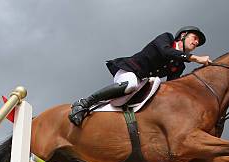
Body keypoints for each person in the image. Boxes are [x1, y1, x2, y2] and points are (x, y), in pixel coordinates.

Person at [69, 26, 212, 126]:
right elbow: (165, 52)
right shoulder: (166, 38)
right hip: (129, 70)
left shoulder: (179, 65)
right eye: (195, 38)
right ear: (183, 35)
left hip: (142, 81)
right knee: (131, 84)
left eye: (198, 42)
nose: (196, 42)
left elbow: (171, 86)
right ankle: (84, 103)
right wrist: (196, 58)